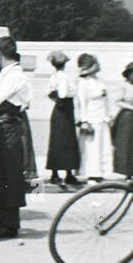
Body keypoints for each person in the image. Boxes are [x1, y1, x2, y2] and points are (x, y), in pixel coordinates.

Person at [0, 36, 31, 239]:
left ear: (0, 54)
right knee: (0, 174)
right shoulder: (6, 74)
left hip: (6, 127)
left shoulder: (13, 76)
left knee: (8, 175)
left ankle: (8, 224)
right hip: (1, 127)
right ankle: (3, 221)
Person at [74, 53, 113, 182]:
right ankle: (91, 174)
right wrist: (84, 121)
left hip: (102, 118)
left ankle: (100, 173)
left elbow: (106, 100)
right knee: (92, 148)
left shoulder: (100, 81)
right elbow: (82, 103)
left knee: (102, 146)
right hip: (91, 119)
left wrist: (108, 115)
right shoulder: (83, 83)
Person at [45, 51, 80, 187]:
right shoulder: (65, 76)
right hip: (65, 109)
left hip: (59, 110)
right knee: (67, 141)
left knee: (58, 140)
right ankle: (68, 172)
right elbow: (65, 93)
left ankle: (56, 172)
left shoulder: (53, 76)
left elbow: (49, 92)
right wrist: (61, 99)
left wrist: (56, 99)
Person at [112, 62, 133, 176]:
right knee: (127, 145)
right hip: (126, 117)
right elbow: (118, 101)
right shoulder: (124, 86)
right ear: (129, 75)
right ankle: (125, 171)